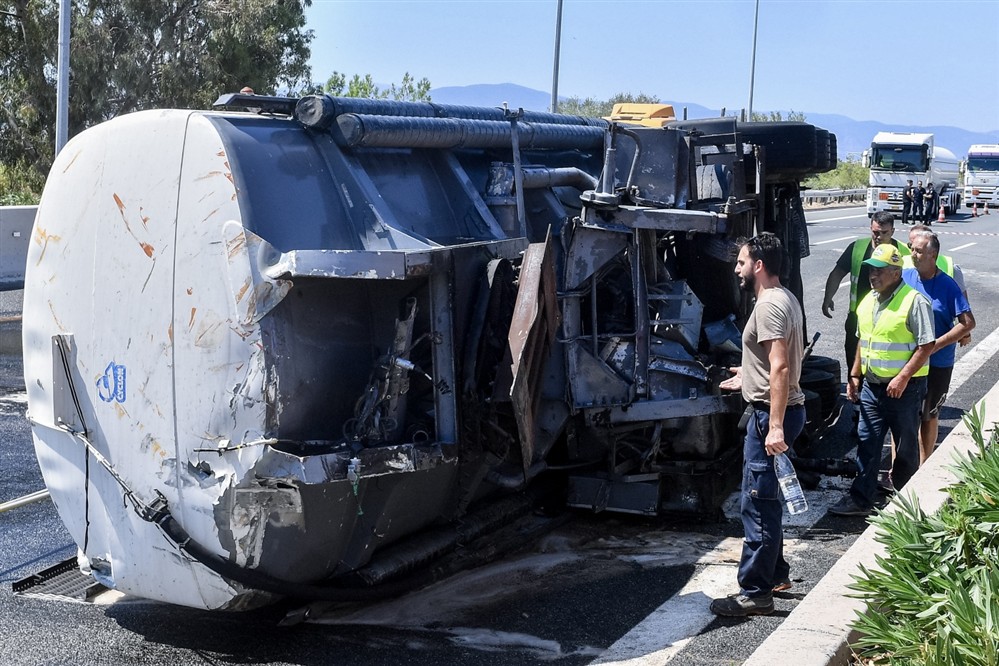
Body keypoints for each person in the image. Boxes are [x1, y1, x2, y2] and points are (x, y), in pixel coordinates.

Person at [710, 233, 806, 617]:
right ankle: (776, 574)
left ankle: (755, 592)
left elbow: (780, 366)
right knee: (766, 499)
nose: (737, 269)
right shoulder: (785, 297)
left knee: (757, 503)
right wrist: (747, 375)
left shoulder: (767, 307)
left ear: (759, 265)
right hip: (775, 408)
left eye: (741, 262)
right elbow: (775, 363)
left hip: (771, 415)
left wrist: (776, 426)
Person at [830, 244, 934, 516]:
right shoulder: (868, 301)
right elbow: (863, 340)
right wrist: (855, 374)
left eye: (879, 270)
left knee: (906, 447)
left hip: (905, 389)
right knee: (867, 442)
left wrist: (902, 378)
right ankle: (861, 499)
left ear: (896, 273)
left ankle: (905, 503)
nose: (872, 276)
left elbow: (926, 345)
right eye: (870, 271)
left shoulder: (914, 301)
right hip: (872, 386)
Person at [902, 229, 975, 463]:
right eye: (912, 249)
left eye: (918, 251)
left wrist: (936, 345)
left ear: (932, 255)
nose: (913, 254)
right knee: (903, 416)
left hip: (937, 362)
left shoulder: (947, 285)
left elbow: (967, 323)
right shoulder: (904, 277)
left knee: (929, 414)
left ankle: (925, 465)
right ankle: (898, 468)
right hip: (908, 359)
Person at [822, 211, 910, 374]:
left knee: (884, 363)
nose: (879, 237)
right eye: (875, 232)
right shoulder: (857, 248)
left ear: (892, 231)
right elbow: (837, 273)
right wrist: (828, 297)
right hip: (858, 316)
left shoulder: (903, 253)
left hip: (890, 317)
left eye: (884, 233)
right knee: (853, 361)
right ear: (870, 229)